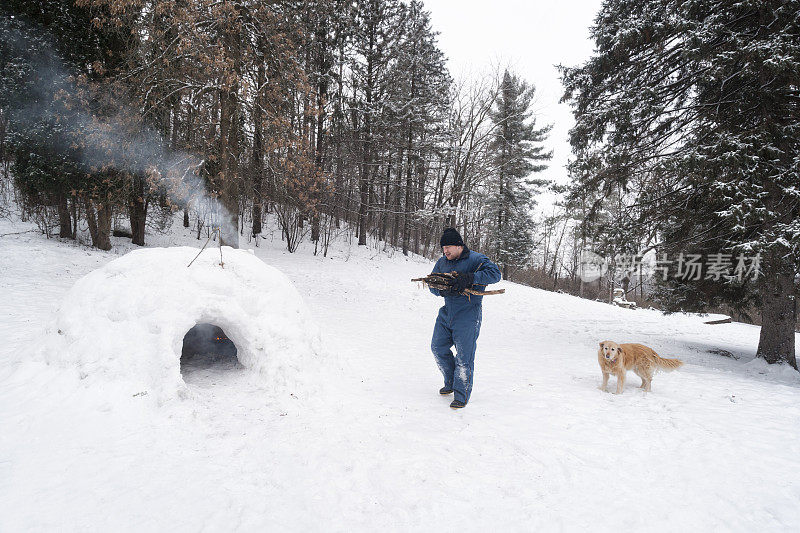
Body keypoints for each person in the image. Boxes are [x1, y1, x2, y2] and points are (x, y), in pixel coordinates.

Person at [429, 228, 501, 409]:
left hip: (469, 314)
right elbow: (432, 284)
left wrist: (470, 277)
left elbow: (495, 274)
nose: (445, 251)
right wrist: (442, 289)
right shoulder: (442, 262)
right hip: (447, 312)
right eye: (443, 248)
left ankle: (461, 394)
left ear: (459, 245)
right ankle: (451, 381)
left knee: (464, 356)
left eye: (448, 247)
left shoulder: (476, 259)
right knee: (437, 347)